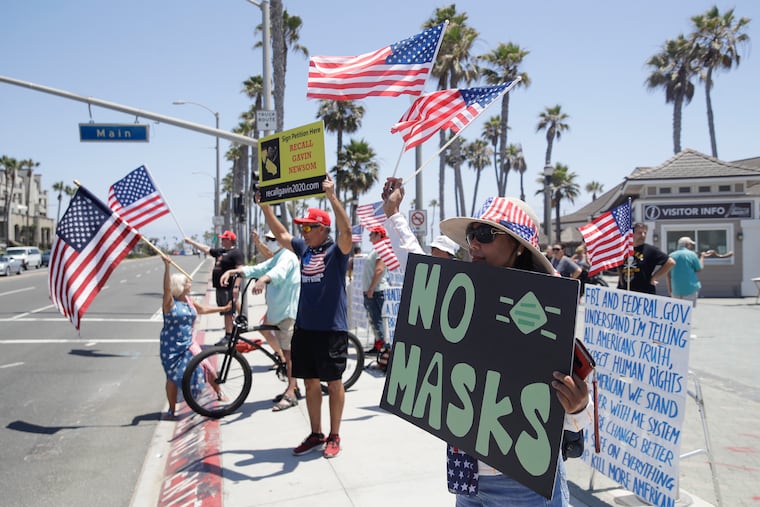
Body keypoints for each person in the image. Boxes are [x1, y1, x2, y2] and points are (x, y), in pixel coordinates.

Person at [439, 196, 593, 506]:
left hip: (523, 482)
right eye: (471, 235)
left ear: (519, 245)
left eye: (485, 235)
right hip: (466, 475)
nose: (474, 245)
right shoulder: (458, 296)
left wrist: (578, 406)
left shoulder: (542, 307)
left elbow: (555, 394)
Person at [258, 173, 352, 459]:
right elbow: (284, 235)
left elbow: (347, 233)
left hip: (331, 329)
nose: (304, 232)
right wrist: (265, 208)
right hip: (305, 328)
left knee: (333, 383)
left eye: (309, 227)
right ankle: (316, 433)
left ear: (323, 229)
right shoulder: (303, 249)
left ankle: (334, 435)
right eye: (303, 227)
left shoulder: (337, 252)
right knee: (310, 381)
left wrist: (332, 197)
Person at [220, 231, 301, 412]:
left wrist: (263, 280)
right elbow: (259, 268)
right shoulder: (277, 256)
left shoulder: (287, 256)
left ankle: (291, 392)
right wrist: (236, 271)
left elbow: (277, 273)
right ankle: (290, 379)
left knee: (290, 356)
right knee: (268, 334)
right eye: (267, 239)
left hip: (287, 312)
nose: (269, 242)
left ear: (281, 240)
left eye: (272, 239)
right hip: (276, 312)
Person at [159, 255, 230, 419]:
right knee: (172, 377)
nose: (190, 284)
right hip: (171, 348)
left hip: (189, 344)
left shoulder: (189, 301)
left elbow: (203, 309)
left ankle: (219, 392)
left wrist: (224, 308)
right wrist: (167, 267)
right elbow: (166, 290)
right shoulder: (169, 303)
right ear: (180, 286)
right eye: (187, 282)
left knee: (208, 367)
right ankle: (171, 409)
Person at [185, 231, 245, 343]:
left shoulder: (236, 253)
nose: (222, 241)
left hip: (228, 287)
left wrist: (236, 286)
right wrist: (191, 242)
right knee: (226, 311)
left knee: (228, 311)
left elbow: (240, 271)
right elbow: (206, 249)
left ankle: (229, 335)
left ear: (230, 240)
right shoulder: (220, 252)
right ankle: (232, 330)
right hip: (219, 287)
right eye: (222, 239)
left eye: (224, 239)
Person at [618, 223, 675, 294]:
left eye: (645, 233)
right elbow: (620, 266)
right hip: (624, 291)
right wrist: (620, 278)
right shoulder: (624, 249)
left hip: (644, 293)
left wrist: (654, 277)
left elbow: (670, 262)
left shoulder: (650, 250)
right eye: (639, 233)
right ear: (632, 234)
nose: (643, 235)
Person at [363, 226, 390, 352]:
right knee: (375, 320)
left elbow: (379, 270)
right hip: (375, 291)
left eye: (372, 234)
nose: (369, 237)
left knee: (377, 321)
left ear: (379, 235)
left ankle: (383, 349)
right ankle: (379, 346)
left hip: (376, 291)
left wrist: (371, 289)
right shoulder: (377, 250)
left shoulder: (380, 250)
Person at [667, 236, 708, 306]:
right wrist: (702, 257)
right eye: (690, 244)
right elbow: (699, 268)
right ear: (687, 244)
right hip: (690, 289)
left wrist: (670, 289)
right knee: (688, 313)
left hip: (676, 289)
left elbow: (668, 275)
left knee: (677, 313)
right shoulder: (692, 254)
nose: (691, 246)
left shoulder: (671, 255)